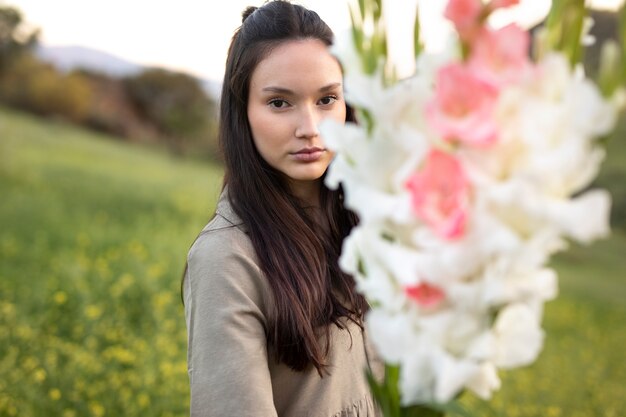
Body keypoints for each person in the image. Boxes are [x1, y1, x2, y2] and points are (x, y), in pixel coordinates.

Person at [182, 1, 383, 415]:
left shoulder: (370, 223)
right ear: (243, 112)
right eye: (279, 103)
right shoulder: (227, 259)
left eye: (327, 99)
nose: (310, 128)